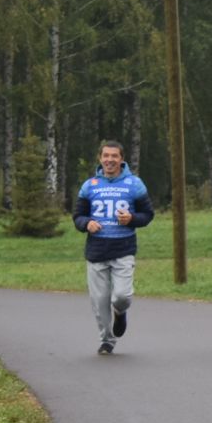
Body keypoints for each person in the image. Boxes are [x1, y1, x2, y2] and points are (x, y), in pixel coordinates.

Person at [73, 140, 155, 355]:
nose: (110, 160)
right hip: (97, 251)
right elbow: (78, 216)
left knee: (121, 296)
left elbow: (148, 215)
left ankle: (120, 312)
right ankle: (107, 340)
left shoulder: (134, 184)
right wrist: (86, 224)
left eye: (114, 156)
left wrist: (132, 218)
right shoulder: (89, 185)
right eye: (106, 156)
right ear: (100, 158)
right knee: (99, 301)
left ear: (121, 159)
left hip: (123, 249)